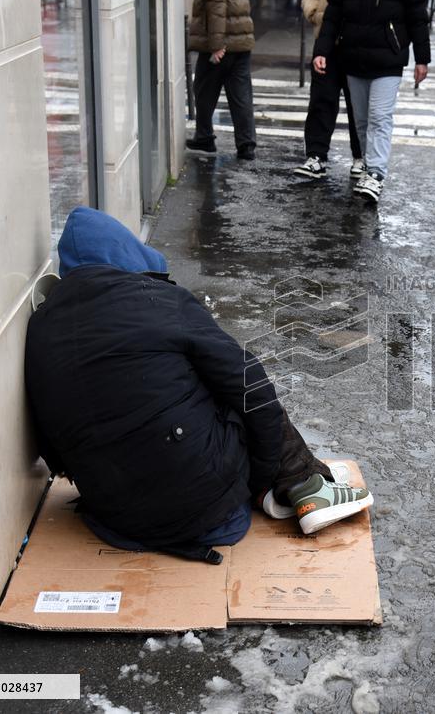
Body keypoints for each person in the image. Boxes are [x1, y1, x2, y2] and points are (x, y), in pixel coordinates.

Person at [25, 207, 373, 559]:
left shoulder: (39, 329)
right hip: (208, 509)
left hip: (117, 519)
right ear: (127, 253)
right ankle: (304, 484)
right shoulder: (159, 301)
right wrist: (261, 477)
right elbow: (251, 387)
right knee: (223, 379)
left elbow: (52, 450)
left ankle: (291, 483)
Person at [312, 0, 431, 203]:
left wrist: (422, 59)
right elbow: (333, 13)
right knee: (362, 121)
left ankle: (376, 173)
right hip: (353, 56)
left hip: (389, 58)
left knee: (379, 116)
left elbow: (418, 15)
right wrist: (322, 50)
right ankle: (368, 167)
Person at [293, 0, 365, 180]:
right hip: (325, 37)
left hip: (357, 39)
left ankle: (361, 157)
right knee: (321, 99)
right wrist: (316, 13)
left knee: (358, 102)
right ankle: (316, 156)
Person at [186, 0, 258, 162]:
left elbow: (216, 5)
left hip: (221, 44)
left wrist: (216, 44)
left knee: (202, 89)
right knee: (241, 96)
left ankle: (204, 137)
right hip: (241, 41)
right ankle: (246, 145)